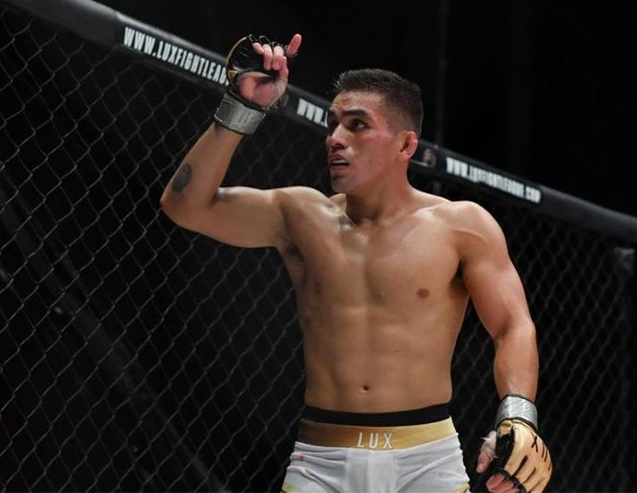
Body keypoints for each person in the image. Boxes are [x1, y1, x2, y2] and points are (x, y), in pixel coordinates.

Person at [160, 33, 552, 493]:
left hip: (427, 462)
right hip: (320, 460)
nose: (336, 139)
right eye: (333, 125)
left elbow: (512, 325)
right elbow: (184, 206)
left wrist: (518, 416)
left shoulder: (461, 225)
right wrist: (242, 107)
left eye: (357, 125)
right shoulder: (301, 215)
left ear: (406, 145)